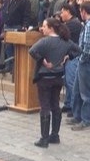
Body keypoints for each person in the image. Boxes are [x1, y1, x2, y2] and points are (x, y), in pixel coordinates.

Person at [29, 18, 81, 147]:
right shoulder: (65, 41)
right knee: (55, 105)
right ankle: (55, 135)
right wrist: (68, 56)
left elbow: (32, 51)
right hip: (58, 77)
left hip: (45, 77)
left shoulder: (44, 41)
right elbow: (79, 50)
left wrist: (43, 61)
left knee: (45, 106)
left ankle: (44, 138)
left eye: (45, 26)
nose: (42, 28)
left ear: (51, 28)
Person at [68, 1, 90, 131]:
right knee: (77, 90)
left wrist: (81, 59)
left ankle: (87, 120)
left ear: (84, 11)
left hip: (87, 63)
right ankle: (77, 116)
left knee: (87, 93)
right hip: (85, 62)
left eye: (80, 11)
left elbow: (88, 47)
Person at [59, 3, 83, 115]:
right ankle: (68, 104)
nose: (60, 14)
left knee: (71, 82)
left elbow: (61, 36)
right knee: (67, 82)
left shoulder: (73, 24)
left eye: (62, 11)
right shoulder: (69, 23)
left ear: (68, 12)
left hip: (73, 56)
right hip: (68, 56)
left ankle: (74, 107)